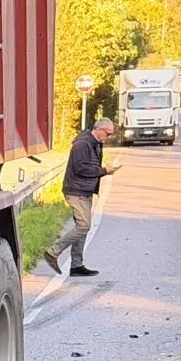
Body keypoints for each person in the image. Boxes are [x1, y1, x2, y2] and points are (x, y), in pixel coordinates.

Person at [44, 117, 120, 278]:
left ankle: (76, 265)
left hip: (84, 190)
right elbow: (81, 168)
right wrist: (104, 171)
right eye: (108, 133)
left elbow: (88, 166)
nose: (109, 137)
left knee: (82, 227)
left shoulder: (94, 143)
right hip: (76, 191)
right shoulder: (83, 144)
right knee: (84, 226)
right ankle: (53, 252)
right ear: (99, 129)